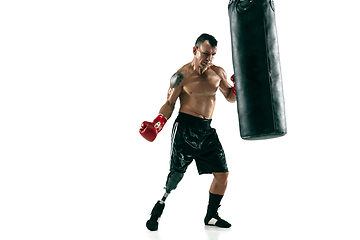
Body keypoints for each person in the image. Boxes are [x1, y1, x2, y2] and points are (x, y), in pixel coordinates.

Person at [139, 33, 236, 231]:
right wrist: (157, 125)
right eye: (206, 53)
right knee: (176, 175)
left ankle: (211, 216)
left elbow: (230, 97)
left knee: (222, 174)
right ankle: (160, 205)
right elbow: (169, 104)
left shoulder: (218, 73)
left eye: (213, 55)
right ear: (195, 50)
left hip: (206, 131)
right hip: (185, 130)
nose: (209, 59)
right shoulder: (181, 76)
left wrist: (239, 87)